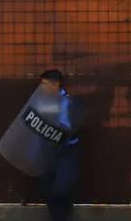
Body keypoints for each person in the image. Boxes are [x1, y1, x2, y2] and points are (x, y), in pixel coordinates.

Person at [37, 70, 80, 221]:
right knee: (48, 188)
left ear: (56, 84)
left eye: (45, 84)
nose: (42, 87)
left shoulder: (68, 103)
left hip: (65, 150)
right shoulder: (41, 102)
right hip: (47, 151)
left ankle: (63, 214)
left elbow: (70, 128)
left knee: (61, 188)